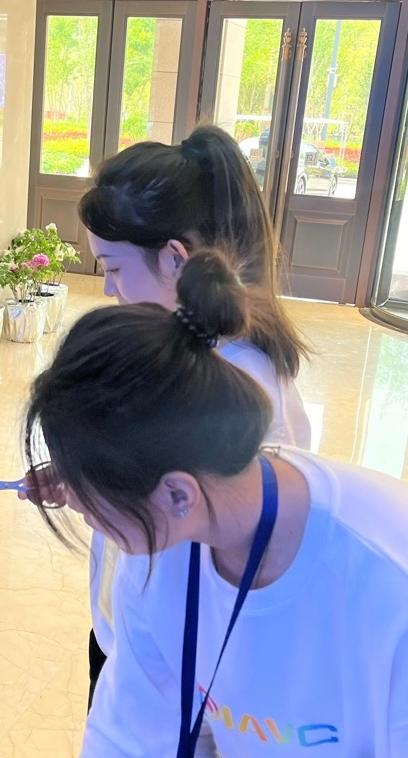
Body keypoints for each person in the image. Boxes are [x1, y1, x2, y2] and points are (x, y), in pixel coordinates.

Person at [24, 249, 408, 757]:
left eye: (85, 487)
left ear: (177, 493)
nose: (74, 501)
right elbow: (130, 734)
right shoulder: (157, 556)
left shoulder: (386, 577)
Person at [75, 126, 311, 706]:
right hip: (135, 634)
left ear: (174, 258)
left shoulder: (238, 382)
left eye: (113, 268)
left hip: (182, 660)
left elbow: (222, 531)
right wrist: (93, 479)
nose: (109, 290)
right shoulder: (181, 350)